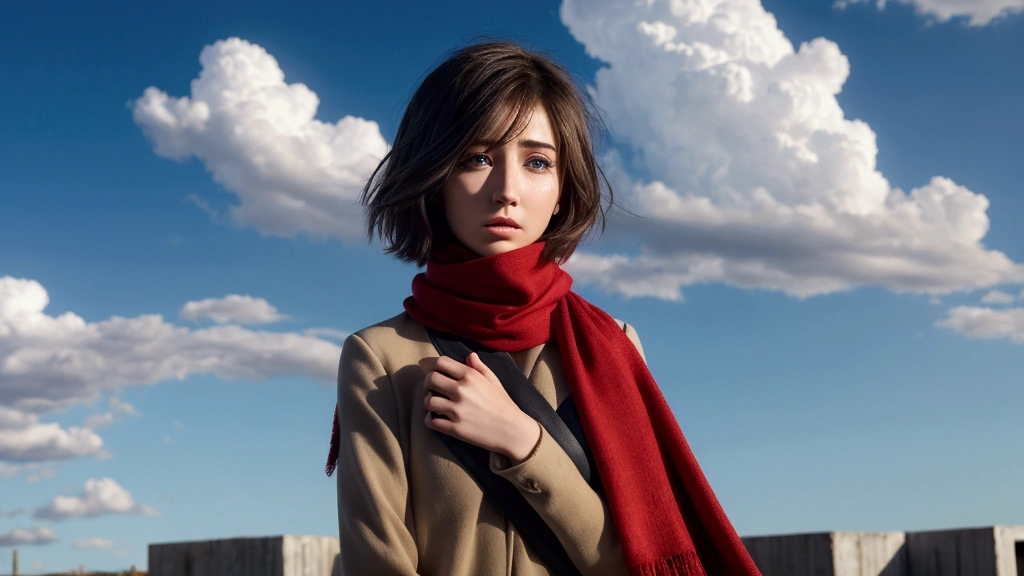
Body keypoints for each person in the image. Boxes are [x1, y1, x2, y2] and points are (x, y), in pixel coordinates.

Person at [326, 41, 761, 576]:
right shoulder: (382, 360)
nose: (506, 190)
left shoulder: (612, 346)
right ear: (433, 176)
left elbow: (640, 560)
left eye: (537, 162)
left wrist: (525, 443)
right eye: (476, 158)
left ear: (561, 189)